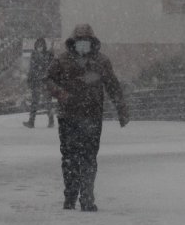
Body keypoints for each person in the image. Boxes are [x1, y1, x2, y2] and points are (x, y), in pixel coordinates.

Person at [46, 24, 129, 212]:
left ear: (92, 42)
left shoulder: (101, 62)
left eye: (86, 41)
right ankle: (70, 196)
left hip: (92, 116)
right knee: (69, 158)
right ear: (73, 42)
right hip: (69, 116)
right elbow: (49, 79)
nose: (83, 44)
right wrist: (61, 93)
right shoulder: (62, 60)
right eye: (79, 41)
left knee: (89, 157)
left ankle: (87, 197)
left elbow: (113, 85)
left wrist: (121, 108)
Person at [23, 38, 55, 128]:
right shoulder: (34, 55)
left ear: (44, 46)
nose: (39, 48)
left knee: (47, 102)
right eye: (37, 46)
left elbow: (52, 68)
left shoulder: (49, 55)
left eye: (41, 46)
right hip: (36, 81)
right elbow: (31, 69)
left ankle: (51, 120)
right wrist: (29, 79)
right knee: (34, 102)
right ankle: (31, 121)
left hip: (45, 81)